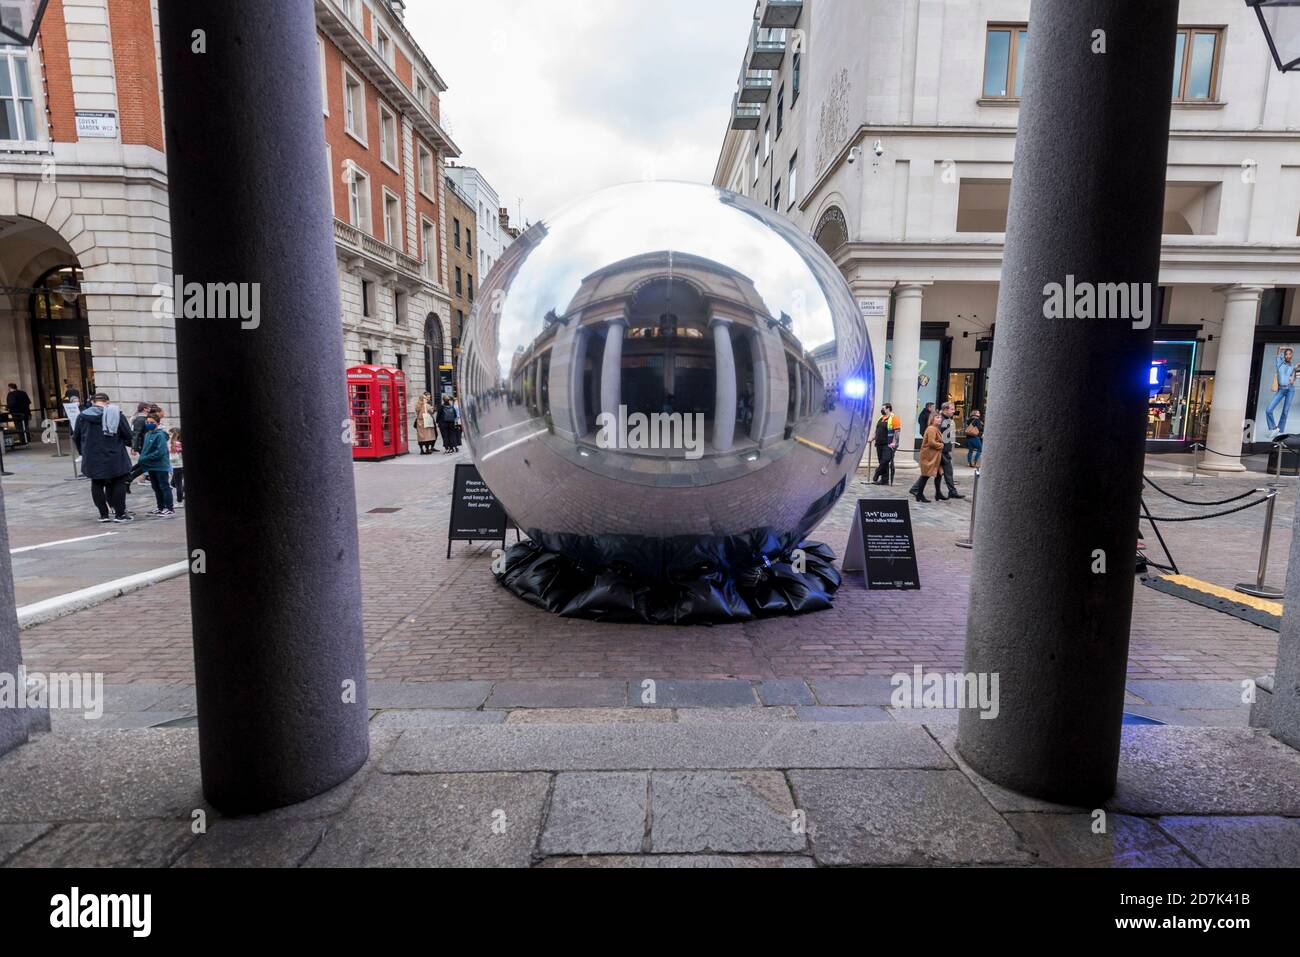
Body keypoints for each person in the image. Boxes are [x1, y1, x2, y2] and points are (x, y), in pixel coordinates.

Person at [72, 392, 135, 523]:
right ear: (107, 402)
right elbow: (128, 435)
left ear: (93, 402)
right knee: (118, 482)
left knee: (97, 483)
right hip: (115, 454)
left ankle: (103, 514)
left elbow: (76, 437)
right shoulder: (116, 414)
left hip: (92, 456)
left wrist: (83, 452)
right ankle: (120, 514)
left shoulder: (82, 417)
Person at [137, 412, 175, 517]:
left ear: (158, 423)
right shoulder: (148, 434)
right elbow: (145, 449)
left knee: (164, 486)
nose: (149, 424)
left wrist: (145, 458)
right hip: (151, 465)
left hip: (160, 465)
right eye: (147, 422)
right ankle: (160, 507)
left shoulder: (160, 435)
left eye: (152, 422)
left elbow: (160, 451)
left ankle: (169, 508)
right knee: (156, 487)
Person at [910, 414, 947, 503]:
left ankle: (938, 493)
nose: (940, 419)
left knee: (938, 474)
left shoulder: (935, 428)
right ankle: (919, 494)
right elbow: (931, 442)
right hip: (929, 457)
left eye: (940, 418)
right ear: (932, 419)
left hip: (935, 456)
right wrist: (941, 445)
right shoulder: (931, 429)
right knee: (925, 475)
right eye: (937, 417)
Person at [938, 402, 965, 500]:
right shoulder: (943, 420)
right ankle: (951, 491)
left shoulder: (947, 420)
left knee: (941, 472)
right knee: (946, 471)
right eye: (952, 409)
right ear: (945, 409)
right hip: (942, 450)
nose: (954, 411)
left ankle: (951, 491)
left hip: (943, 450)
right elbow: (942, 436)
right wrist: (945, 448)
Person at [1267, 347, 1297, 435]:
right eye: (1286, 354)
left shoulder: (1292, 366)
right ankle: (1274, 428)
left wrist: (1295, 370)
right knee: (1268, 410)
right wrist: (1289, 348)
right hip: (1281, 389)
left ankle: (1280, 431)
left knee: (1285, 411)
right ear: (1284, 355)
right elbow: (1279, 349)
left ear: (1291, 356)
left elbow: (1292, 381)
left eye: (1289, 354)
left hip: (1290, 389)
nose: (1288, 356)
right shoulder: (1279, 363)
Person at [872, 404, 897, 485]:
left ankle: (877, 471)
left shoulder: (894, 418)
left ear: (888, 409)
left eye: (883, 408)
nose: (881, 410)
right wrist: (873, 437)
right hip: (879, 443)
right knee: (882, 461)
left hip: (888, 443)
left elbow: (897, 432)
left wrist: (894, 442)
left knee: (885, 460)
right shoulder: (881, 418)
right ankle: (884, 480)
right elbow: (877, 429)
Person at [168, 427, 185, 506]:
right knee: (173, 483)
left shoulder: (176, 443)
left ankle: (179, 502)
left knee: (178, 484)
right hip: (178, 465)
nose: (169, 436)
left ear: (176, 434)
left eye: (170, 434)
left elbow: (174, 456)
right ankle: (183, 493)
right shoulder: (179, 442)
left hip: (178, 466)